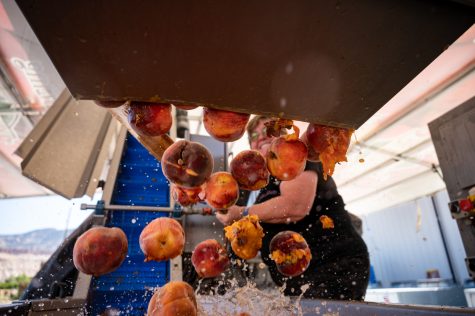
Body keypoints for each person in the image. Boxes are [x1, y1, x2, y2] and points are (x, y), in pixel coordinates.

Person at [216, 115, 370, 300]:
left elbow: (294, 206)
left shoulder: (296, 155)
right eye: (254, 136)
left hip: (333, 263)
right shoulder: (257, 185)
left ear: (282, 135)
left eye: (267, 130)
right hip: (294, 276)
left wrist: (240, 213)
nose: (261, 138)